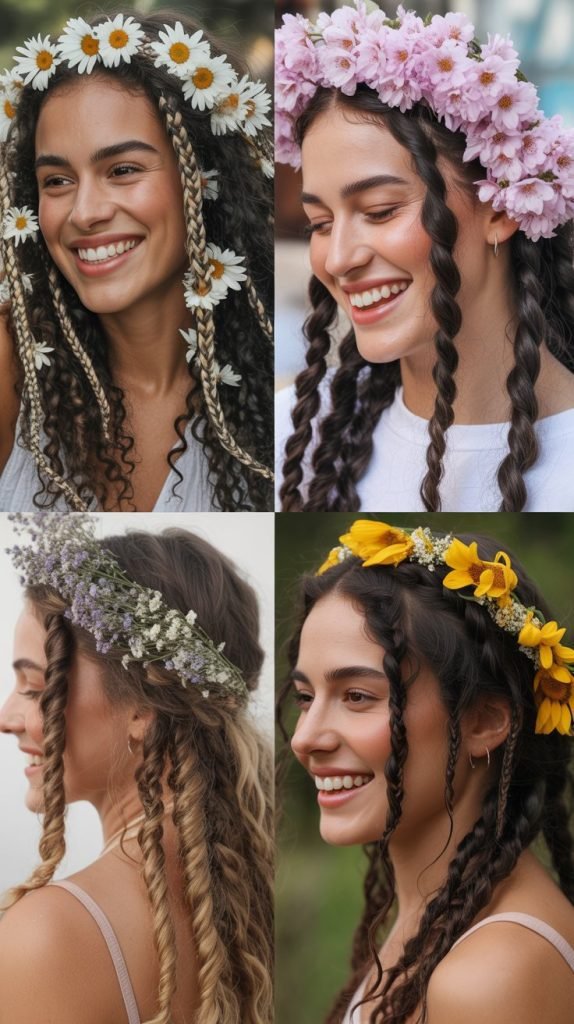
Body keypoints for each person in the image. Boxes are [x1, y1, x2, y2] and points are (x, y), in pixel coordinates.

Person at [275, 2, 574, 512]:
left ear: (499, 206)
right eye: (320, 225)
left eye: (380, 210)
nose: (339, 258)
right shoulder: (290, 432)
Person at [279, 518, 574, 1023]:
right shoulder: (446, 916)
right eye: (306, 697)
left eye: (357, 696)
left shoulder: (490, 976)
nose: (306, 737)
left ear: (485, 721)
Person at [0, 513, 273, 1024]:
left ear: (143, 711)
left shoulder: (52, 934)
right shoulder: (253, 903)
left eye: (37, 689)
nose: (7, 719)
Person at [0, 10, 273, 512]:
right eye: (56, 180)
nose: (84, 214)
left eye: (122, 170)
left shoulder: (281, 380)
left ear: (204, 179)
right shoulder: (12, 366)